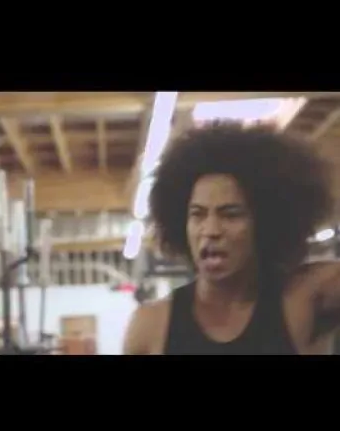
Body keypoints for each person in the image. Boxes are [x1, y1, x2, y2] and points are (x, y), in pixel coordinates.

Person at [123, 120, 340, 354]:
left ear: (265, 223)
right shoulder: (151, 326)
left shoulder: (304, 298)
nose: (211, 230)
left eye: (231, 215)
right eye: (198, 214)